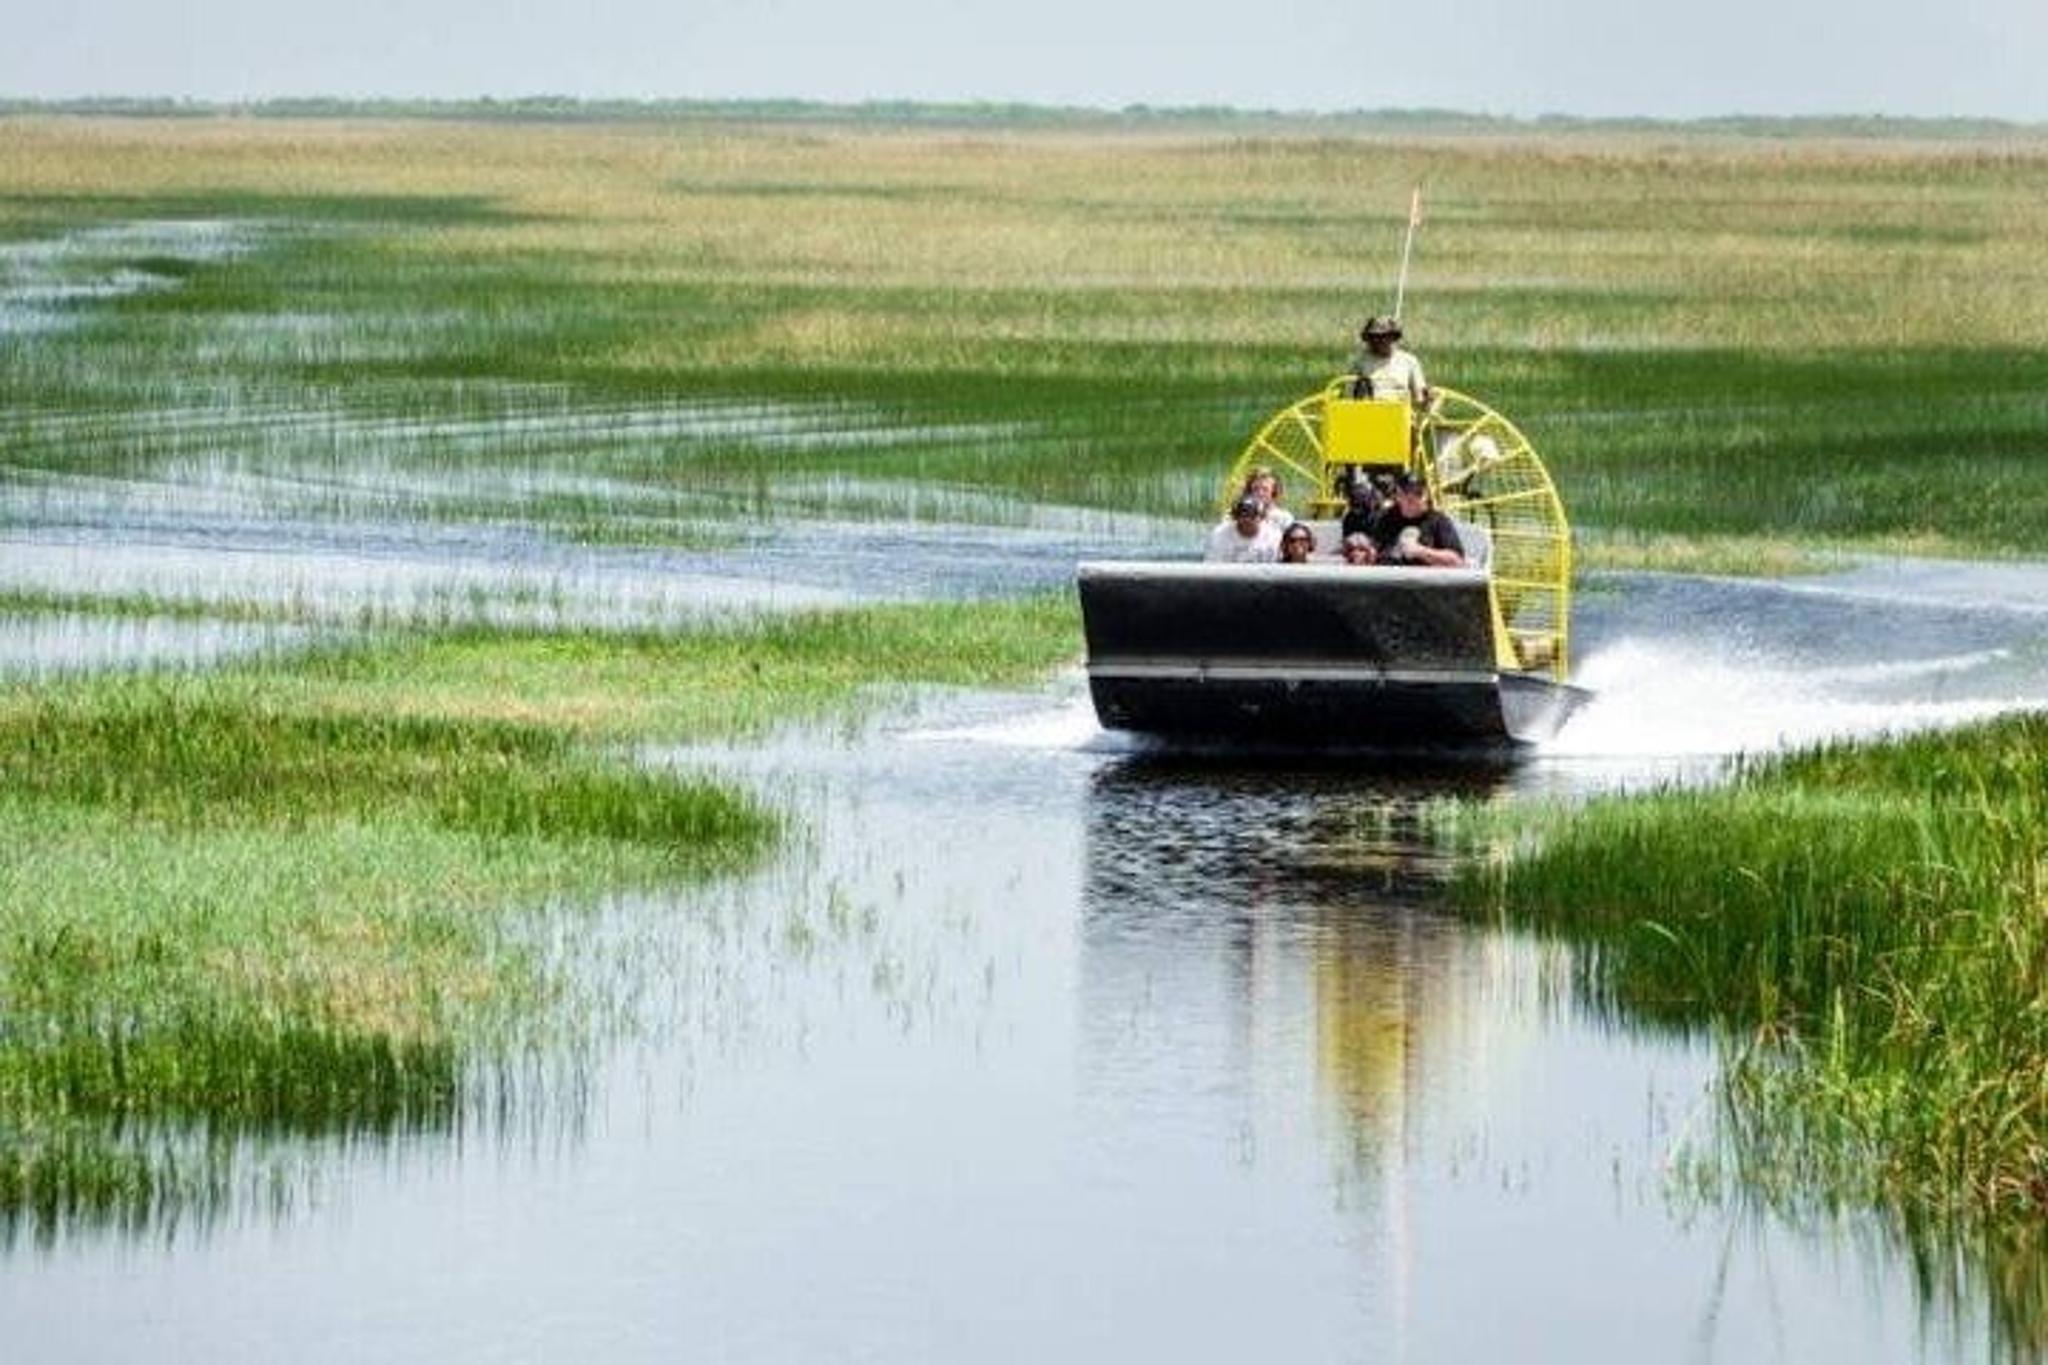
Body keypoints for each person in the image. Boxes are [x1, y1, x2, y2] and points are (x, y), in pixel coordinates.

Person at [1367, 471, 1465, 567]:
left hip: (1424, 581)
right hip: (1386, 579)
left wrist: (1420, 551)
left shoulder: (1438, 521)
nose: (1412, 498)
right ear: (1398, 495)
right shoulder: (1386, 518)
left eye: (1418, 493)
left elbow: (1457, 561)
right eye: (1406, 493)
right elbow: (1373, 550)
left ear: (1425, 496)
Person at [1348, 315, 1431, 407]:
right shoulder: (1360, 362)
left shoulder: (1409, 361)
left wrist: (1426, 400)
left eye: (1383, 336)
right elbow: (1349, 396)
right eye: (1374, 337)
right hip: (1369, 412)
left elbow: (1420, 397)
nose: (1378, 340)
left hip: (1399, 413)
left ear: (1393, 337)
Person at [1205, 494, 1282, 563]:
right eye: (1242, 514)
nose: (1247, 519)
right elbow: (1212, 568)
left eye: (1252, 515)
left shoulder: (1274, 536)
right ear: (1235, 516)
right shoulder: (1219, 534)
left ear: (1262, 517)